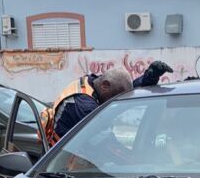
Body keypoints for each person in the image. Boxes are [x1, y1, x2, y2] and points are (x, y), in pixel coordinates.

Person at [43, 61, 173, 146]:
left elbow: (120, 88)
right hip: (63, 170)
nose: (117, 102)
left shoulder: (92, 83)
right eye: (116, 97)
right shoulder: (84, 107)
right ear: (105, 86)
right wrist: (136, 162)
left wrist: (148, 78)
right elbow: (109, 147)